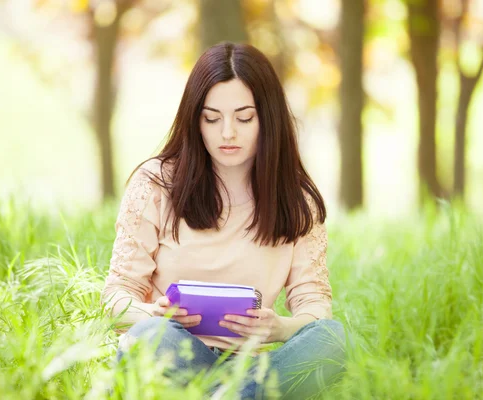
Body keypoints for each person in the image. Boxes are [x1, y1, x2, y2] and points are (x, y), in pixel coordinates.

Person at [101, 42, 347, 399]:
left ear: (268, 117)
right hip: (175, 353)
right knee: (147, 338)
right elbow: (116, 297)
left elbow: (315, 305)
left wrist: (280, 329)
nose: (227, 133)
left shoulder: (297, 200)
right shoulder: (155, 184)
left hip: (253, 365)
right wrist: (153, 314)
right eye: (211, 118)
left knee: (331, 339)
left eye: (244, 117)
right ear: (194, 118)